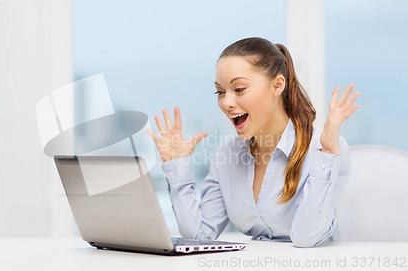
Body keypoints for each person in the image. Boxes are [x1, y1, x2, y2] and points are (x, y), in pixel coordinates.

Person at [146, 37, 360, 248]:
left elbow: (307, 238)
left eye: (239, 89)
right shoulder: (225, 156)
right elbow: (198, 235)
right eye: (220, 92)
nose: (226, 103)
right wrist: (177, 165)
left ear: (277, 85)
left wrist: (329, 152)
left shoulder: (325, 150)